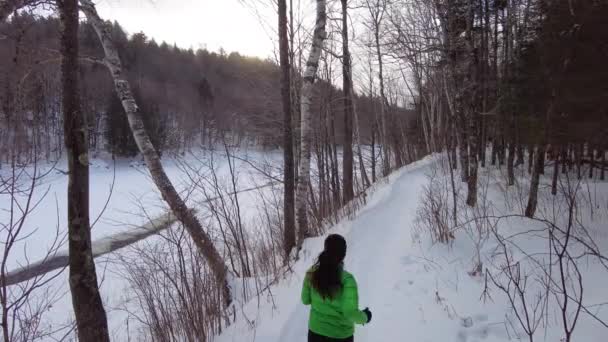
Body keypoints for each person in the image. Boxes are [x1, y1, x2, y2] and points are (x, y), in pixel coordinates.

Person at [301, 234, 372, 342]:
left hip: (315, 334)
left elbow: (305, 300)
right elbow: (350, 312)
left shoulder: (312, 273)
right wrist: (365, 317)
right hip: (341, 336)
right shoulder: (348, 280)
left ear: (325, 250)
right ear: (343, 255)